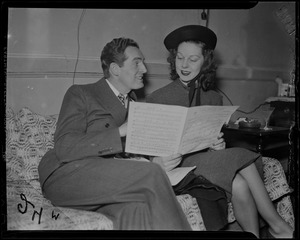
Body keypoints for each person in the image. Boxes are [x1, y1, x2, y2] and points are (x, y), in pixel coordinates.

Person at [146, 25, 294, 238]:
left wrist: (218, 147)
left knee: (240, 185)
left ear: (205, 62)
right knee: (244, 157)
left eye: (193, 59)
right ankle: (277, 225)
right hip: (179, 167)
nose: (184, 65)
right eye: (180, 58)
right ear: (173, 60)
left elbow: (211, 146)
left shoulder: (213, 97)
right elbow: (148, 149)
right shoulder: (158, 98)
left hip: (205, 163)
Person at [38, 37, 192, 230]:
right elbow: (65, 147)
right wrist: (121, 131)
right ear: (115, 69)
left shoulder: (135, 104)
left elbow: (129, 160)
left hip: (108, 184)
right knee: (152, 174)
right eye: (137, 63)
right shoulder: (81, 93)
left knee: (136, 209)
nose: (144, 69)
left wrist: (154, 160)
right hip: (66, 175)